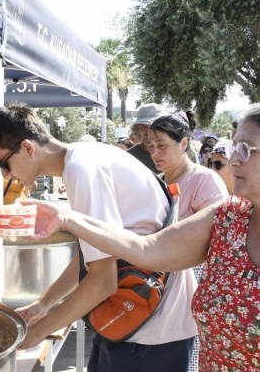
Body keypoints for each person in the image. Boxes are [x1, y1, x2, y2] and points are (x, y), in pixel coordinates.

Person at [21, 103, 260, 370]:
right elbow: (146, 249)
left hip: (157, 328)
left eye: (246, 149)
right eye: (235, 147)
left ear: (183, 144)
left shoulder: (204, 182)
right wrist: (68, 219)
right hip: (136, 320)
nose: (234, 159)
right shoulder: (230, 217)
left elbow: (113, 270)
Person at [0, 103, 197, 372]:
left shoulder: (81, 171)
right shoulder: (84, 159)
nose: (6, 174)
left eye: (3, 163)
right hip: (136, 320)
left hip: (150, 332)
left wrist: (34, 335)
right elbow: (96, 257)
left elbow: (103, 282)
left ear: (27, 147)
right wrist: (42, 305)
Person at [147, 111, 228, 372]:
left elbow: (219, 239)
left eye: (162, 146)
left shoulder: (203, 179)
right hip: (154, 292)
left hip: (191, 293)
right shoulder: (155, 183)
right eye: (151, 147)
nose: (155, 153)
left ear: (183, 144)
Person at [127, 103, 169, 173]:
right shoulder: (129, 158)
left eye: (152, 127)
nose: (147, 132)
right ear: (138, 130)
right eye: (143, 127)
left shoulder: (172, 151)